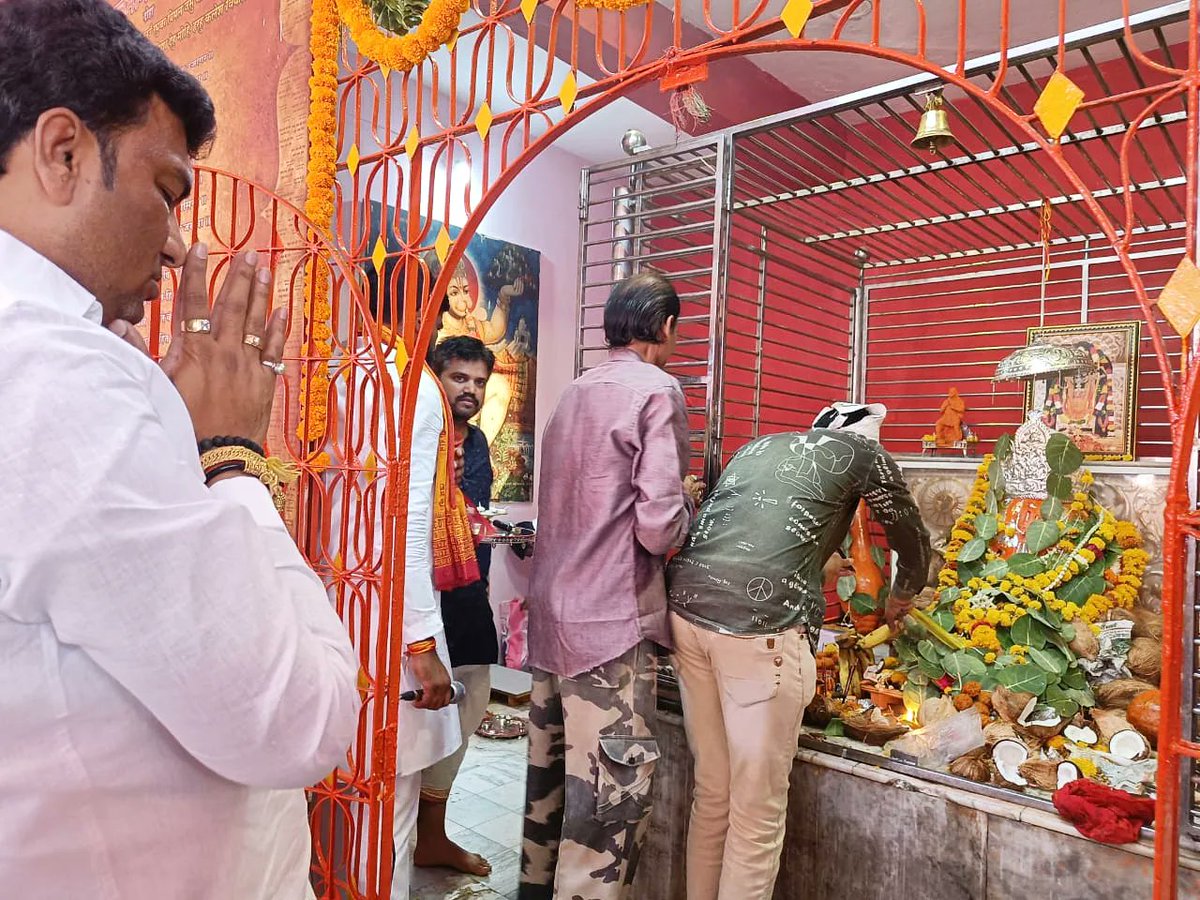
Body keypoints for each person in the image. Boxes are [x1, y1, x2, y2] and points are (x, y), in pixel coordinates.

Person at [0, 2, 360, 896]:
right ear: (64, 152)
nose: (175, 245)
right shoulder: (56, 373)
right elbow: (298, 719)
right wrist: (232, 455)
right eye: (166, 191)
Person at [666, 401, 932, 900]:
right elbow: (911, 538)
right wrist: (901, 595)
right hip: (759, 628)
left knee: (713, 793)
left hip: (685, 610)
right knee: (756, 814)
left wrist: (817, 566)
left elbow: (746, 534)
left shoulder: (759, 446)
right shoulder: (864, 453)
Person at [520, 272, 703, 900]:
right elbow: (656, 530)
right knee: (608, 810)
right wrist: (686, 504)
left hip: (550, 622)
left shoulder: (574, 392)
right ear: (667, 328)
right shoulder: (658, 391)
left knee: (548, 791)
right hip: (610, 629)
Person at [324, 266, 481, 898]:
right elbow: (408, 518)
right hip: (388, 617)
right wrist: (419, 643)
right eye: (439, 314)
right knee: (389, 806)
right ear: (426, 310)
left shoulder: (337, 368)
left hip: (338, 602)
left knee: (342, 792)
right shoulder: (410, 386)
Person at [415, 335, 500, 878]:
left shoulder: (480, 443)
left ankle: (431, 837)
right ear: (435, 379)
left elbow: (476, 518)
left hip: (467, 594)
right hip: (417, 597)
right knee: (417, 713)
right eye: (459, 378)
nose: (470, 390)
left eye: (478, 381)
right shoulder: (416, 433)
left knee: (471, 699)